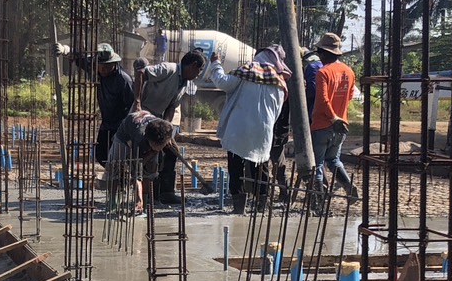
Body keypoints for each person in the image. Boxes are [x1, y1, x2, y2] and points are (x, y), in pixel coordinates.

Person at [206, 45, 290, 214]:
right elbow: (277, 111)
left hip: (238, 129)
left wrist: (215, 63)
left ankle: (239, 207)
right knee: (260, 166)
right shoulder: (279, 82)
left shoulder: (247, 71)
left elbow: (222, 82)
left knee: (236, 167)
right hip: (263, 130)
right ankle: (261, 205)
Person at [132, 48, 207, 206]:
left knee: (171, 150)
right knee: (148, 152)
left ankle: (166, 192)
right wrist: (137, 102)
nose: (198, 74)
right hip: (142, 116)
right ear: (193, 65)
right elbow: (141, 73)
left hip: (157, 120)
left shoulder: (184, 84)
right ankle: (146, 194)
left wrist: (167, 129)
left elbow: (171, 107)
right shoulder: (168, 69)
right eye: (199, 70)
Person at [308, 31, 359, 203]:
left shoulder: (323, 72)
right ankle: (348, 186)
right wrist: (338, 118)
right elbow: (349, 96)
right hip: (341, 126)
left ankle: (318, 200)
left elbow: (323, 100)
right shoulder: (349, 72)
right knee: (334, 160)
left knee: (317, 163)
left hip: (322, 125)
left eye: (319, 53)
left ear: (324, 53)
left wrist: (332, 118)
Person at [71, 43, 135, 166]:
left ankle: (118, 174)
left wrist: (127, 129)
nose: (103, 68)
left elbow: (132, 105)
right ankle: (114, 173)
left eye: (107, 65)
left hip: (120, 124)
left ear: (113, 64)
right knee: (101, 154)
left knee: (117, 155)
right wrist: (67, 51)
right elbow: (81, 60)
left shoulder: (123, 80)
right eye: (100, 65)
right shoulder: (97, 70)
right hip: (106, 122)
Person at [105, 109, 175, 214]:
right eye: (156, 146)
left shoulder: (166, 129)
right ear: (149, 140)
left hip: (149, 132)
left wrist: (166, 143)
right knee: (114, 166)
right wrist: (138, 198)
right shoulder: (139, 137)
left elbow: (172, 150)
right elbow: (135, 170)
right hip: (125, 135)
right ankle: (112, 202)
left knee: (151, 170)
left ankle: (144, 204)